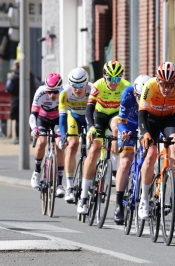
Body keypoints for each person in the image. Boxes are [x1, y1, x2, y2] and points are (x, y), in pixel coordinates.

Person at [76, 61, 131, 220]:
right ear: (104, 77)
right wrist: (91, 127)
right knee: (94, 150)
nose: (114, 83)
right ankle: (84, 198)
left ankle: (114, 169)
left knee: (116, 130)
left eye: (117, 79)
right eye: (110, 79)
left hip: (115, 115)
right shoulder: (98, 85)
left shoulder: (125, 86)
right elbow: (89, 109)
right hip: (98, 116)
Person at [137, 62, 175, 220]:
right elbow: (142, 114)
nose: (167, 89)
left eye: (170, 85)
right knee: (151, 154)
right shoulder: (150, 86)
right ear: (158, 81)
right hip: (150, 120)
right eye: (164, 85)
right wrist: (145, 134)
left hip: (169, 119)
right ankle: (144, 199)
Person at [113, 74, 151, 224]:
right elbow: (120, 120)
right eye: (140, 97)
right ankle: (118, 204)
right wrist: (123, 133)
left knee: (149, 160)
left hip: (145, 125)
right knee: (125, 161)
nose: (142, 101)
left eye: (145, 97)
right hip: (128, 124)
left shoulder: (153, 93)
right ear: (135, 93)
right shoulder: (127, 93)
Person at [58, 67, 93, 202]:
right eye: (74, 86)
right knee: (72, 145)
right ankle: (70, 187)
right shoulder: (65, 92)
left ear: (86, 83)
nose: (77, 89)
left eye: (80, 86)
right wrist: (62, 136)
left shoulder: (93, 89)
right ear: (69, 84)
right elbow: (62, 117)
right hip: (74, 117)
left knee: (93, 148)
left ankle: (91, 182)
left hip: (90, 118)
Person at [29, 73, 66, 197]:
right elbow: (33, 115)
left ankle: (60, 184)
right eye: (49, 91)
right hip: (43, 119)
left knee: (60, 145)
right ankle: (37, 171)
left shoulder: (65, 93)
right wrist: (34, 128)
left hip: (58, 121)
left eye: (55, 92)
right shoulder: (40, 92)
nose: (52, 95)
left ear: (60, 89)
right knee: (42, 141)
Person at [5, 59, 39, 144]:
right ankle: (28, 137)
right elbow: (36, 85)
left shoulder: (13, 76)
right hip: (29, 100)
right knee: (29, 119)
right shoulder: (30, 75)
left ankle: (18, 138)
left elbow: (7, 88)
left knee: (18, 120)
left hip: (17, 101)